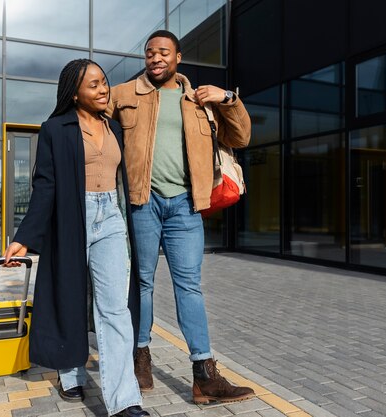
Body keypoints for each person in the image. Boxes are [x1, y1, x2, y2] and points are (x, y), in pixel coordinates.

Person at [106, 30, 255, 404]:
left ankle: (203, 375)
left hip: (186, 207)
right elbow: (92, 120)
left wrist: (228, 98)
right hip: (144, 202)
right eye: (150, 52)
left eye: (164, 52)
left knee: (189, 286)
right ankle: (140, 358)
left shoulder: (198, 100)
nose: (156, 58)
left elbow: (240, 138)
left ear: (178, 57)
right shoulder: (125, 94)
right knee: (141, 281)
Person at [2, 59, 149, 417]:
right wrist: (25, 236)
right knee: (69, 296)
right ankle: (71, 372)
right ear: (75, 93)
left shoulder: (114, 126)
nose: (103, 89)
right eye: (94, 85)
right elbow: (45, 186)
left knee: (115, 308)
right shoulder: (55, 128)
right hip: (71, 216)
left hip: (111, 216)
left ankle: (125, 401)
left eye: (104, 82)